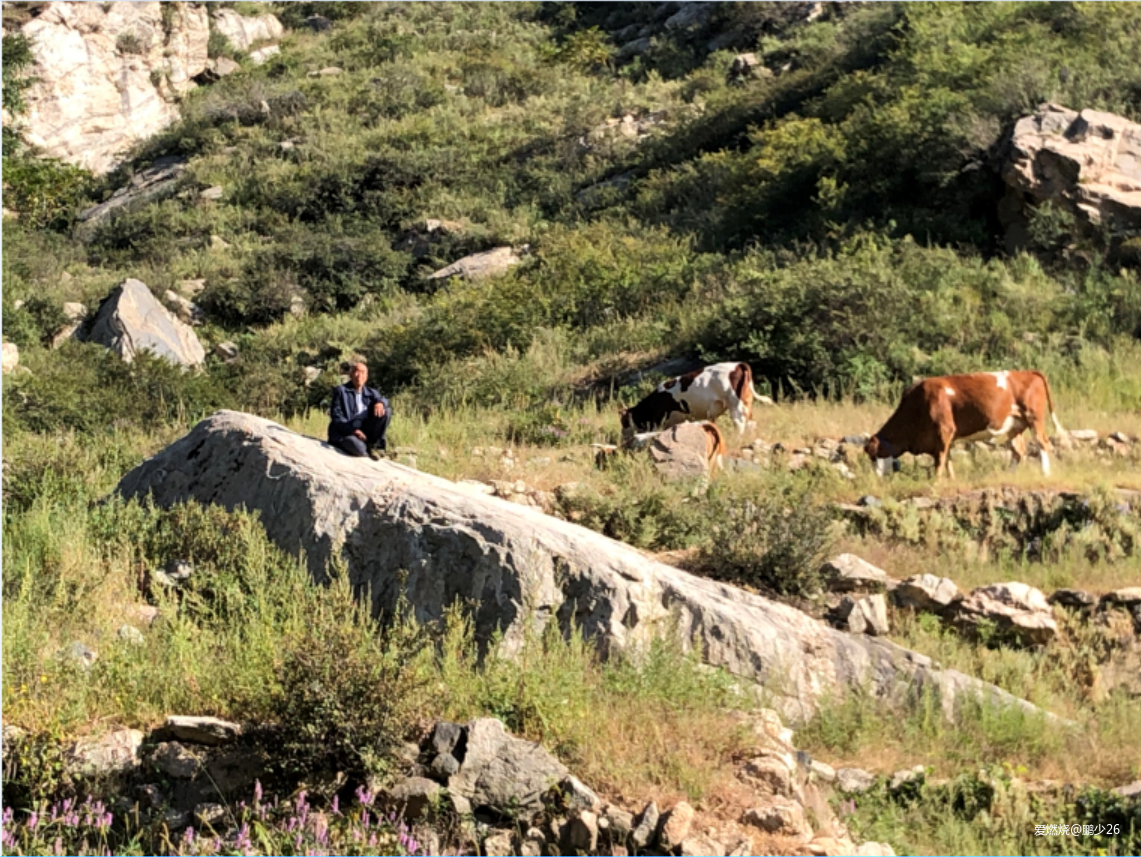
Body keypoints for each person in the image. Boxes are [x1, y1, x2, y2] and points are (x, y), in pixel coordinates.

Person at [328, 359, 391, 459]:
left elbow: (383, 399)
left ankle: (375, 446)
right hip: (346, 432)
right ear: (351, 375)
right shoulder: (341, 391)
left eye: (363, 372)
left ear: (366, 377)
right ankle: (364, 450)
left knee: (385, 411)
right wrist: (353, 430)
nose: (359, 375)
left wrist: (380, 403)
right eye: (357, 372)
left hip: (365, 431)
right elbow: (336, 416)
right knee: (358, 447)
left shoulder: (371, 393)